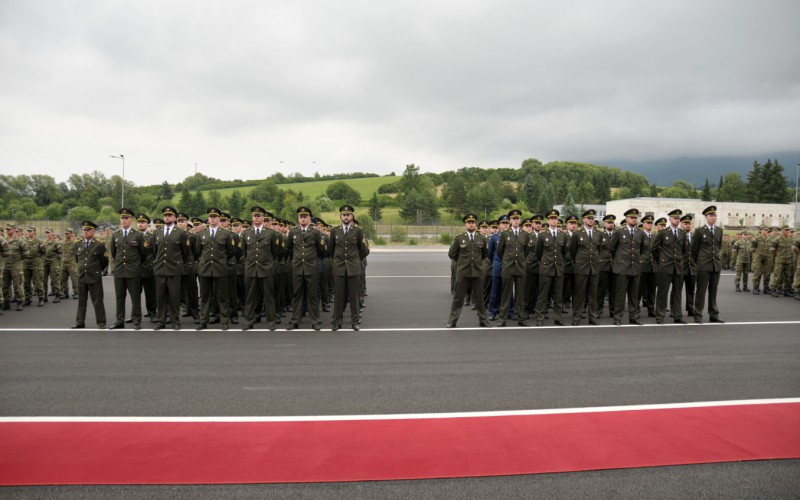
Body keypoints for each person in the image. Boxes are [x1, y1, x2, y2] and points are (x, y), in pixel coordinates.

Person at [285, 207, 327, 331]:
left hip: (311, 268)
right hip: (298, 268)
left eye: (305, 217)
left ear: (309, 218)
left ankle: (315, 321)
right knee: (297, 295)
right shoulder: (293, 232)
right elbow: (288, 248)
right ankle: (295, 320)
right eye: (300, 217)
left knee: (312, 295)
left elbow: (322, 250)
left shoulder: (315, 232)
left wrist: (312, 259)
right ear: (298, 219)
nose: (303, 219)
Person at [240, 207, 282, 331]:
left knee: (268, 296)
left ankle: (271, 321)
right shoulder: (246, 233)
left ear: (263, 217)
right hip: (251, 268)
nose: (256, 218)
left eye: (259, 216)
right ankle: (249, 321)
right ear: (252, 218)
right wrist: (248, 263)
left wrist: (268, 263)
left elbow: (275, 252)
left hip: (266, 268)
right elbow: (243, 252)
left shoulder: (270, 233)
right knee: (250, 297)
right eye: (254, 216)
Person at [195, 207, 237, 331]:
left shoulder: (226, 234)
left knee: (222, 296)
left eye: (215, 217)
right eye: (210, 217)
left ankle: (224, 321)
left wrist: (222, 261)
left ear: (219, 218)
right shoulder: (202, 234)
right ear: (208, 219)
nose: (212, 219)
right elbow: (198, 251)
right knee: (205, 297)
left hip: (220, 269)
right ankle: (203, 321)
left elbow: (231, 251)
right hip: (205, 269)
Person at [329, 205, 369, 331]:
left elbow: (364, 250)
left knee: (353, 296)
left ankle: (355, 321)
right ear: (340, 216)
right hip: (339, 267)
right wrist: (337, 260)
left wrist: (355, 260)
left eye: (348, 215)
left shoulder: (357, 231)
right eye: (344, 215)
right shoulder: (335, 231)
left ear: (352, 216)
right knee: (339, 296)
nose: (346, 217)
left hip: (353, 268)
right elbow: (330, 250)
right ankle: (337, 321)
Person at [446, 213, 489, 328]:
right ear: (465, 224)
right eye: (469, 222)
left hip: (477, 272)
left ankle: (483, 320)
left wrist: (477, 263)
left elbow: (485, 254)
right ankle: (452, 320)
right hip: (463, 273)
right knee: (458, 298)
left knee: (480, 299)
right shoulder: (459, 238)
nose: (471, 224)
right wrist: (461, 263)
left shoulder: (481, 238)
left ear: (475, 224)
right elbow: (452, 254)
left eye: (473, 222)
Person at [153, 206, 192, 330]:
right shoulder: (157, 232)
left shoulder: (181, 233)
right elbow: (155, 252)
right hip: (160, 269)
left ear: (174, 217)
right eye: (165, 215)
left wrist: (180, 267)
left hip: (174, 269)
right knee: (160, 296)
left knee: (174, 296)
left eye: (170, 215)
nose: (167, 217)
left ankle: (175, 321)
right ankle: (161, 321)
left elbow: (186, 253)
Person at [108, 208, 147, 330]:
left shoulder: (138, 235)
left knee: (135, 297)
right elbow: (114, 253)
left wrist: (135, 265)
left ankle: (136, 320)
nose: (124, 220)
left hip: (133, 271)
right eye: (122, 218)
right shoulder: (116, 235)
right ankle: (120, 320)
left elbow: (143, 254)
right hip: (120, 271)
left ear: (131, 220)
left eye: (126, 218)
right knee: (119, 298)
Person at [609, 208, 646, 326]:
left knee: (634, 295)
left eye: (635, 218)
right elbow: (611, 248)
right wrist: (620, 260)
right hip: (622, 268)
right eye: (632, 217)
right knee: (620, 294)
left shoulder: (640, 233)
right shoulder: (619, 232)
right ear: (626, 219)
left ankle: (633, 317)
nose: (634, 219)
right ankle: (618, 317)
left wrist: (640, 260)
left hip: (635, 268)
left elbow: (645, 250)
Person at [651, 209, 688, 324]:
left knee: (677, 293)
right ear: (670, 219)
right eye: (675, 218)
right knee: (663, 292)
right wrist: (661, 260)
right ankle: (660, 316)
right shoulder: (663, 233)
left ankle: (677, 315)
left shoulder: (682, 233)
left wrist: (680, 260)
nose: (677, 220)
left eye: (678, 218)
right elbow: (654, 249)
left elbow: (685, 250)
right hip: (665, 267)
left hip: (678, 267)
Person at [534, 209, 568, 326]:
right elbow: (538, 253)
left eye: (555, 219)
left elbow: (564, 252)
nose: (554, 221)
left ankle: (558, 317)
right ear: (548, 220)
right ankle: (540, 317)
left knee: (558, 295)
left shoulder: (563, 235)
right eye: (552, 219)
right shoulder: (543, 235)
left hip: (558, 268)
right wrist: (545, 262)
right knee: (543, 295)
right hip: (546, 269)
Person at [691, 205, 724, 324]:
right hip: (703, 265)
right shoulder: (700, 231)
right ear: (706, 217)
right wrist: (698, 263)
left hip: (715, 265)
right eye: (711, 215)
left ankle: (713, 314)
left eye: (715, 215)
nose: (713, 217)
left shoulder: (719, 230)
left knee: (713, 291)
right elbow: (694, 250)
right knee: (701, 291)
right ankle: (698, 314)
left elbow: (718, 247)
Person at [71, 220, 107, 329]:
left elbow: (104, 261)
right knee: (81, 301)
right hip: (82, 275)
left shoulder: (99, 245)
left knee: (97, 301)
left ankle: (101, 322)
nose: (85, 232)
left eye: (87, 230)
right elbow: (77, 259)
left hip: (94, 276)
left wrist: (96, 270)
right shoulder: (78, 244)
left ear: (93, 231)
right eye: (83, 230)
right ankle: (80, 322)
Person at [496, 209, 529, 326]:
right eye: (513, 219)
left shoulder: (525, 234)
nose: (516, 221)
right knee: (506, 294)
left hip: (520, 268)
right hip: (508, 268)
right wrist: (507, 261)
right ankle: (502, 319)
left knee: (520, 295)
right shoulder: (505, 234)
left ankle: (521, 319)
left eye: (517, 219)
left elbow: (526, 252)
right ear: (510, 220)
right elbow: (500, 251)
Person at [569, 209, 601, 326]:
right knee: (579, 294)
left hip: (594, 268)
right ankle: (577, 317)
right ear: (583, 219)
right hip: (581, 267)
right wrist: (578, 263)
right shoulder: (577, 234)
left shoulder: (598, 234)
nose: (591, 220)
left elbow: (600, 250)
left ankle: (593, 317)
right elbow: (572, 251)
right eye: (589, 218)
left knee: (593, 294)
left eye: (593, 218)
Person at [2, 223, 28, 311]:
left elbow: (25, 253)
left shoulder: (20, 241)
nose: (7, 230)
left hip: (16, 265)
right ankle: (6, 302)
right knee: (5, 285)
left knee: (17, 285)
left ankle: (19, 301)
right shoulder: (4, 240)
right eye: (7, 229)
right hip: (5, 265)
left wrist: (18, 260)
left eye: (9, 229)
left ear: (14, 230)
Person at [770, 225, 795, 297]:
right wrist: (777, 256)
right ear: (782, 230)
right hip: (780, 260)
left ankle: (786, 291)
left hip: (788, 260)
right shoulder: (777, 239)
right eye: (786, 230)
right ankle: (773, 289)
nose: (788, 231)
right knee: (777, 275)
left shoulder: (790, 239)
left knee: (788, 276)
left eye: (788, 230)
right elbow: (772, 250)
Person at [42, 228, 62, 303]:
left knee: (55, 279)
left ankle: (57, 295)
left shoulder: (56, 243)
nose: (47, 234)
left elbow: (60, 252)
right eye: (46, 232)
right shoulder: (44, 242)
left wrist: (57, 261)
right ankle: (44, 295)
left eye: (49, 232)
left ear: (52, 233)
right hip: (45, 262)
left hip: (53, 262)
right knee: (44, 279)